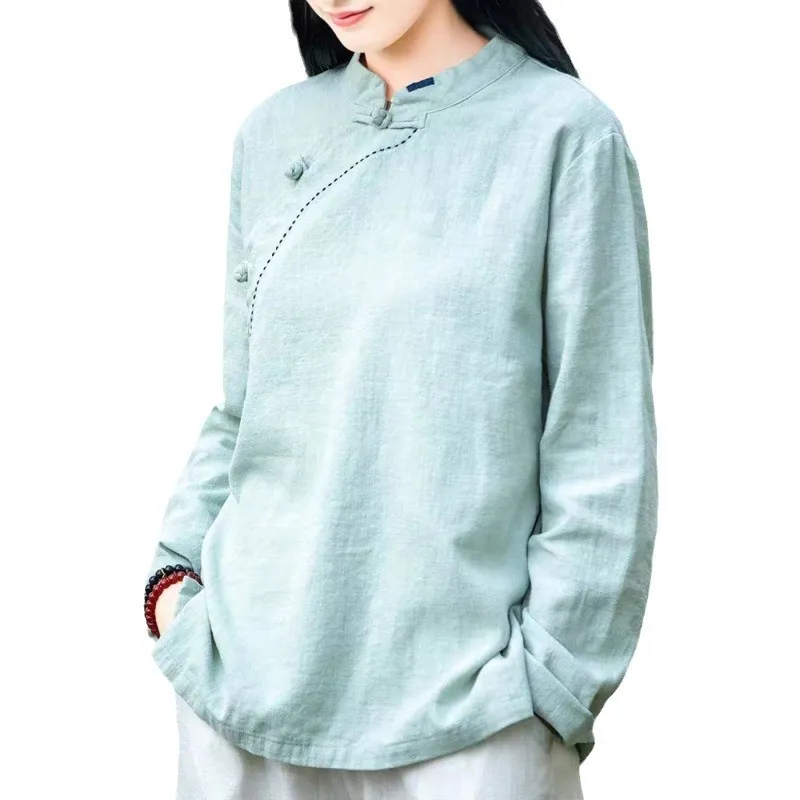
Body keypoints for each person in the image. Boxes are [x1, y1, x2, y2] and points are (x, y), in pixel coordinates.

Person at [142, 1, 658, 798]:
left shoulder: (563, 133)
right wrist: (173, 587)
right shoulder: (273, 133)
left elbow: (600, 438)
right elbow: (246, 407)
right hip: (238, 691)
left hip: (472, 714)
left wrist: (549, 686)